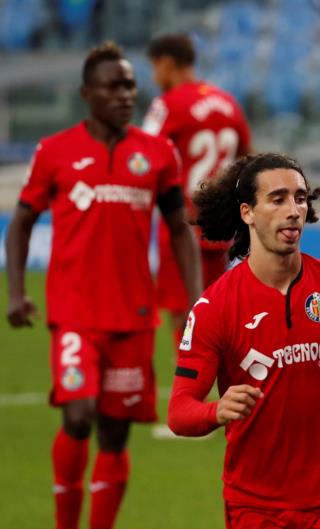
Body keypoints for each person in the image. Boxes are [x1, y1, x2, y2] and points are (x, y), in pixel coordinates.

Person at [4, 41, 201, 529]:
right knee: (77, 416)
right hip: (73, 314)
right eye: (113, 86)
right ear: (86, 93)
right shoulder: (54, 151)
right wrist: (16, 291)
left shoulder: (157, 153)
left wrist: (197, 297)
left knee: (115, 433)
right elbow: (22, 221)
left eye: (130, 85)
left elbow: (179, 228)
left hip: (133, 316)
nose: (124, 94)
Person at [166, 153, 320, 529]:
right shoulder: (216, 307)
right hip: (256, 508)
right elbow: (178, 411)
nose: (293, 210)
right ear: (247, 212)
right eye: (278, 199)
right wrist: (216, 411)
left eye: (300, 198)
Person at [143, 33, 252, 344]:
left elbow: (142, 154)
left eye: (155, 68)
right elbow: (248, 157)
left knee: (183, 313)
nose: (155, 77)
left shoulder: (167, 104)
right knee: (220, 311)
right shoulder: (228, 103)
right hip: (221, 227)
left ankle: (192, 386)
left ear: (167, 63)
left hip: (182, 223)